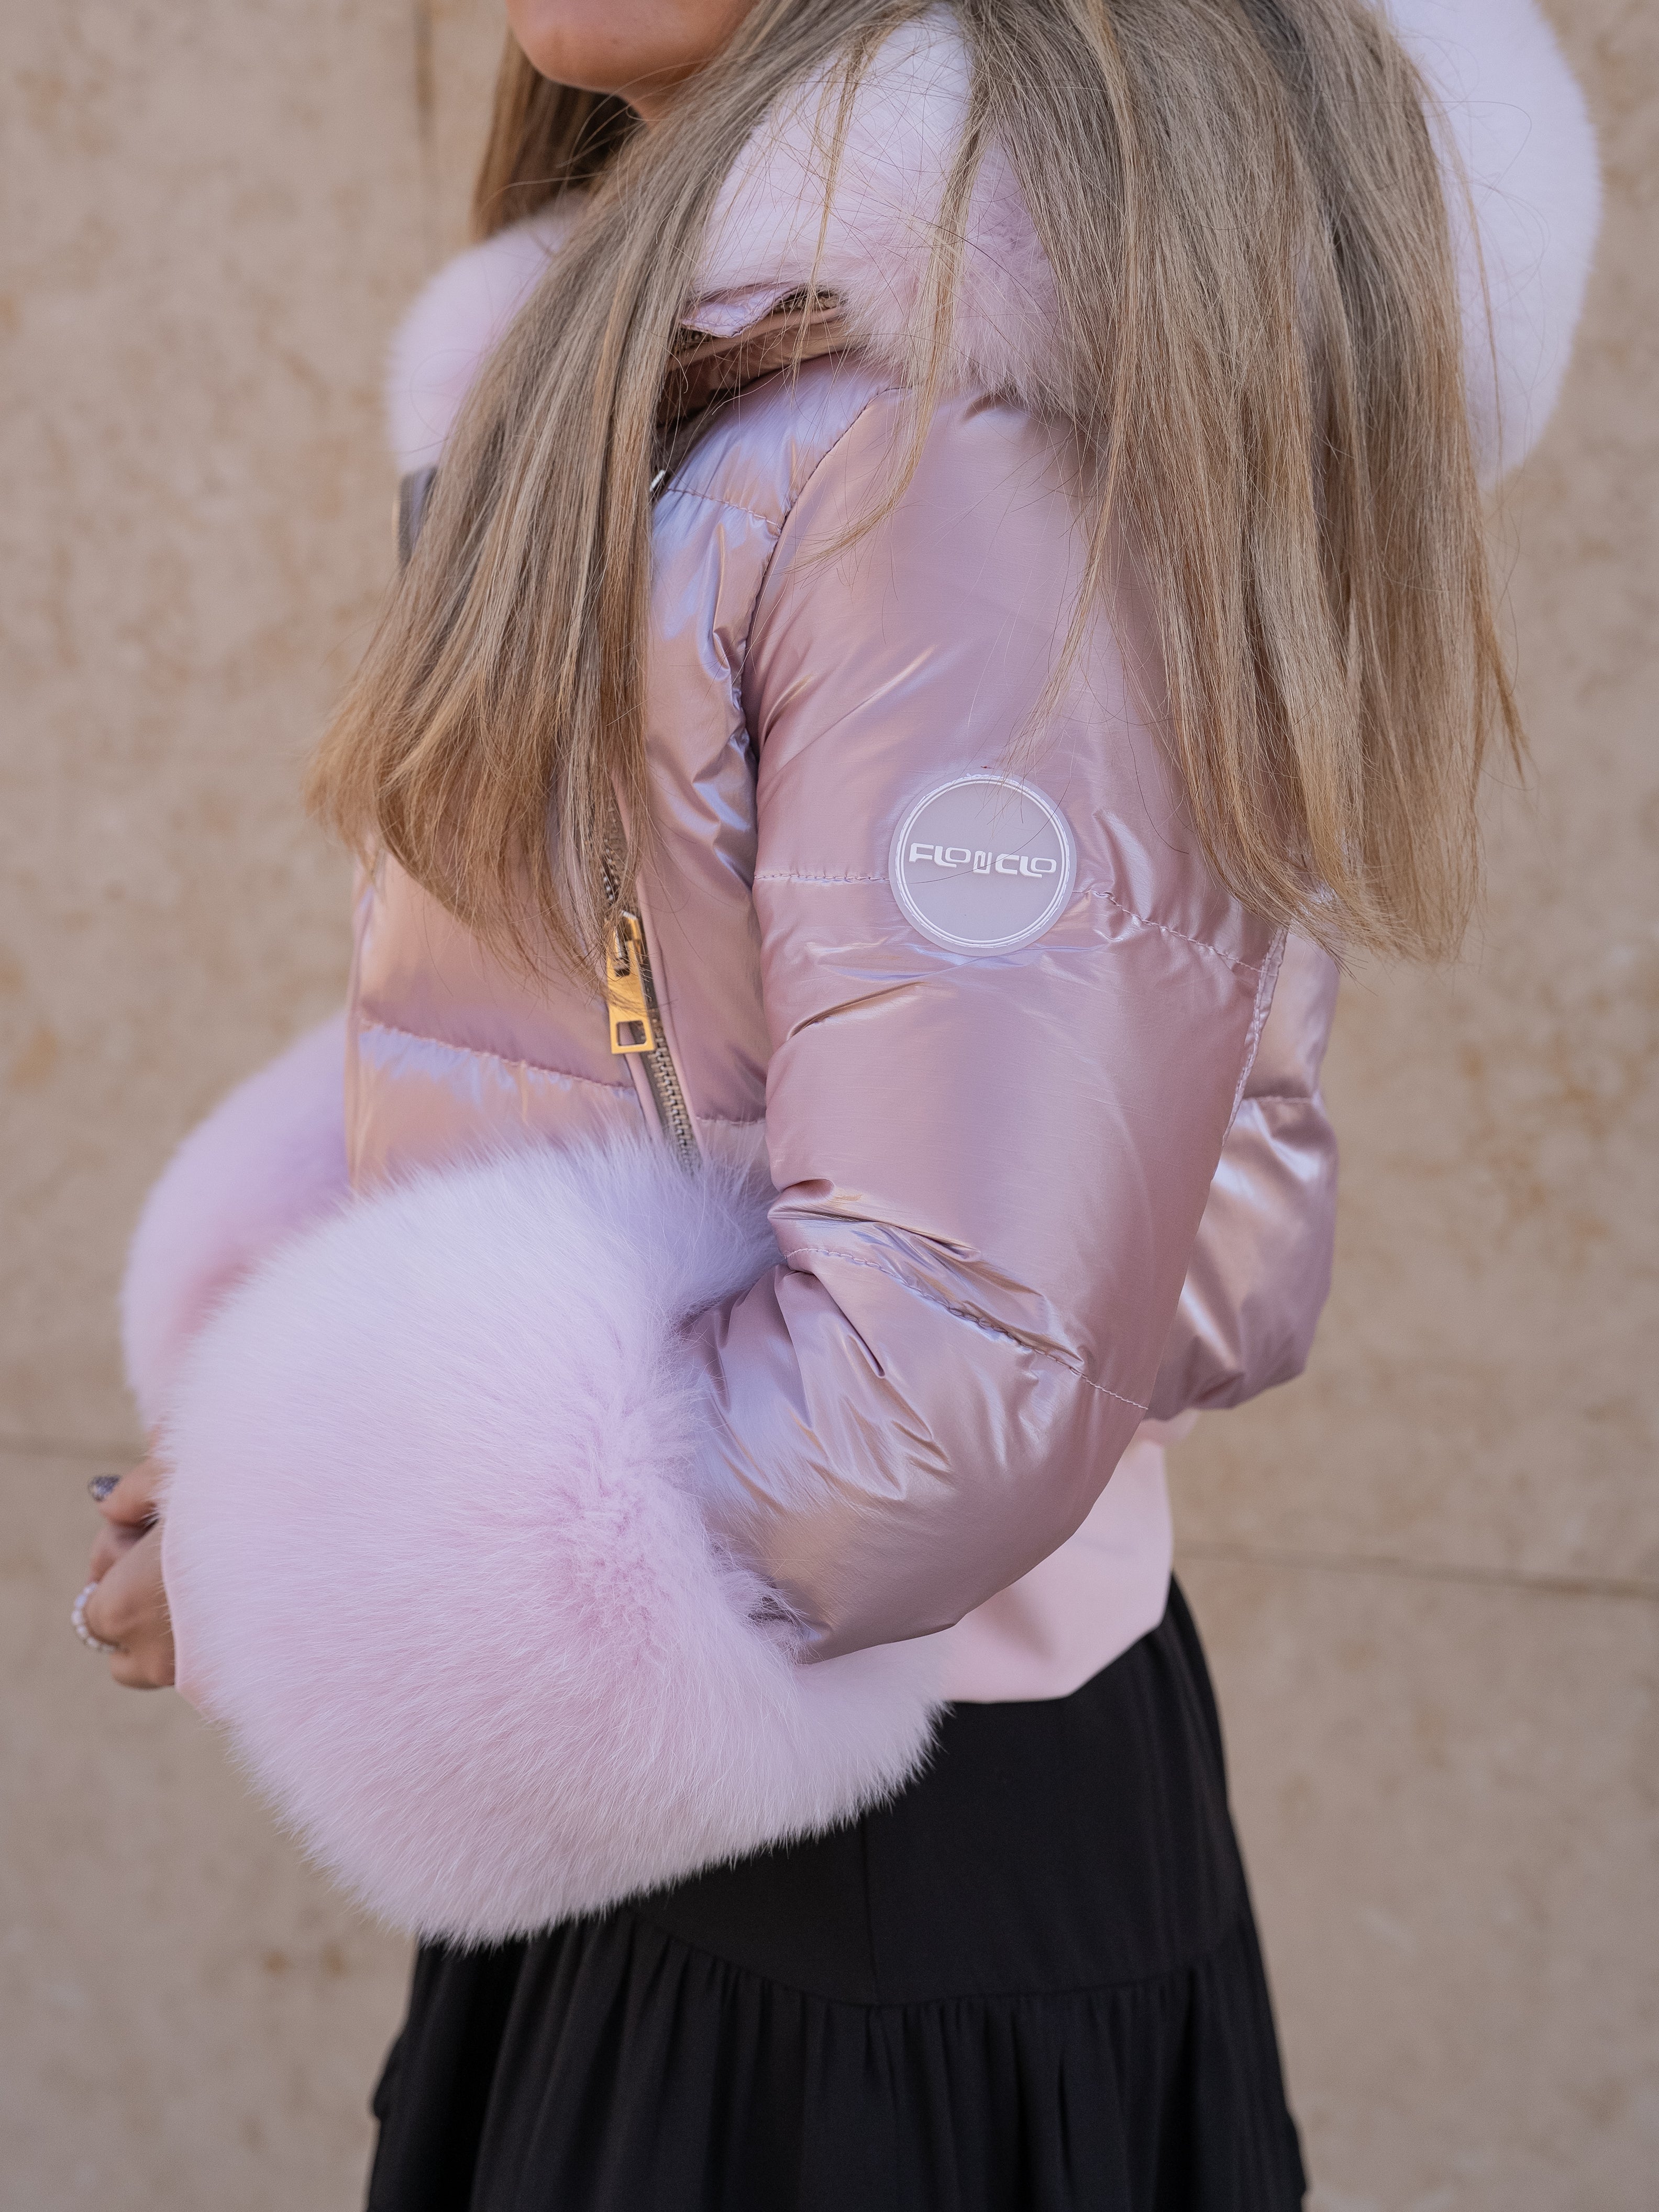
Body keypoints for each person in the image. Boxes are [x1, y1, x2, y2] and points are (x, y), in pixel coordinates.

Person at [79, 0, 1598, 2202]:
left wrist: (316, 1568)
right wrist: (311, 1439)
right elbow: (653, 1053)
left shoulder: (927, 454)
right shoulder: (744, 389)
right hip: (729, 1806)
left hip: (864, 1906)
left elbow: (946, 1381)